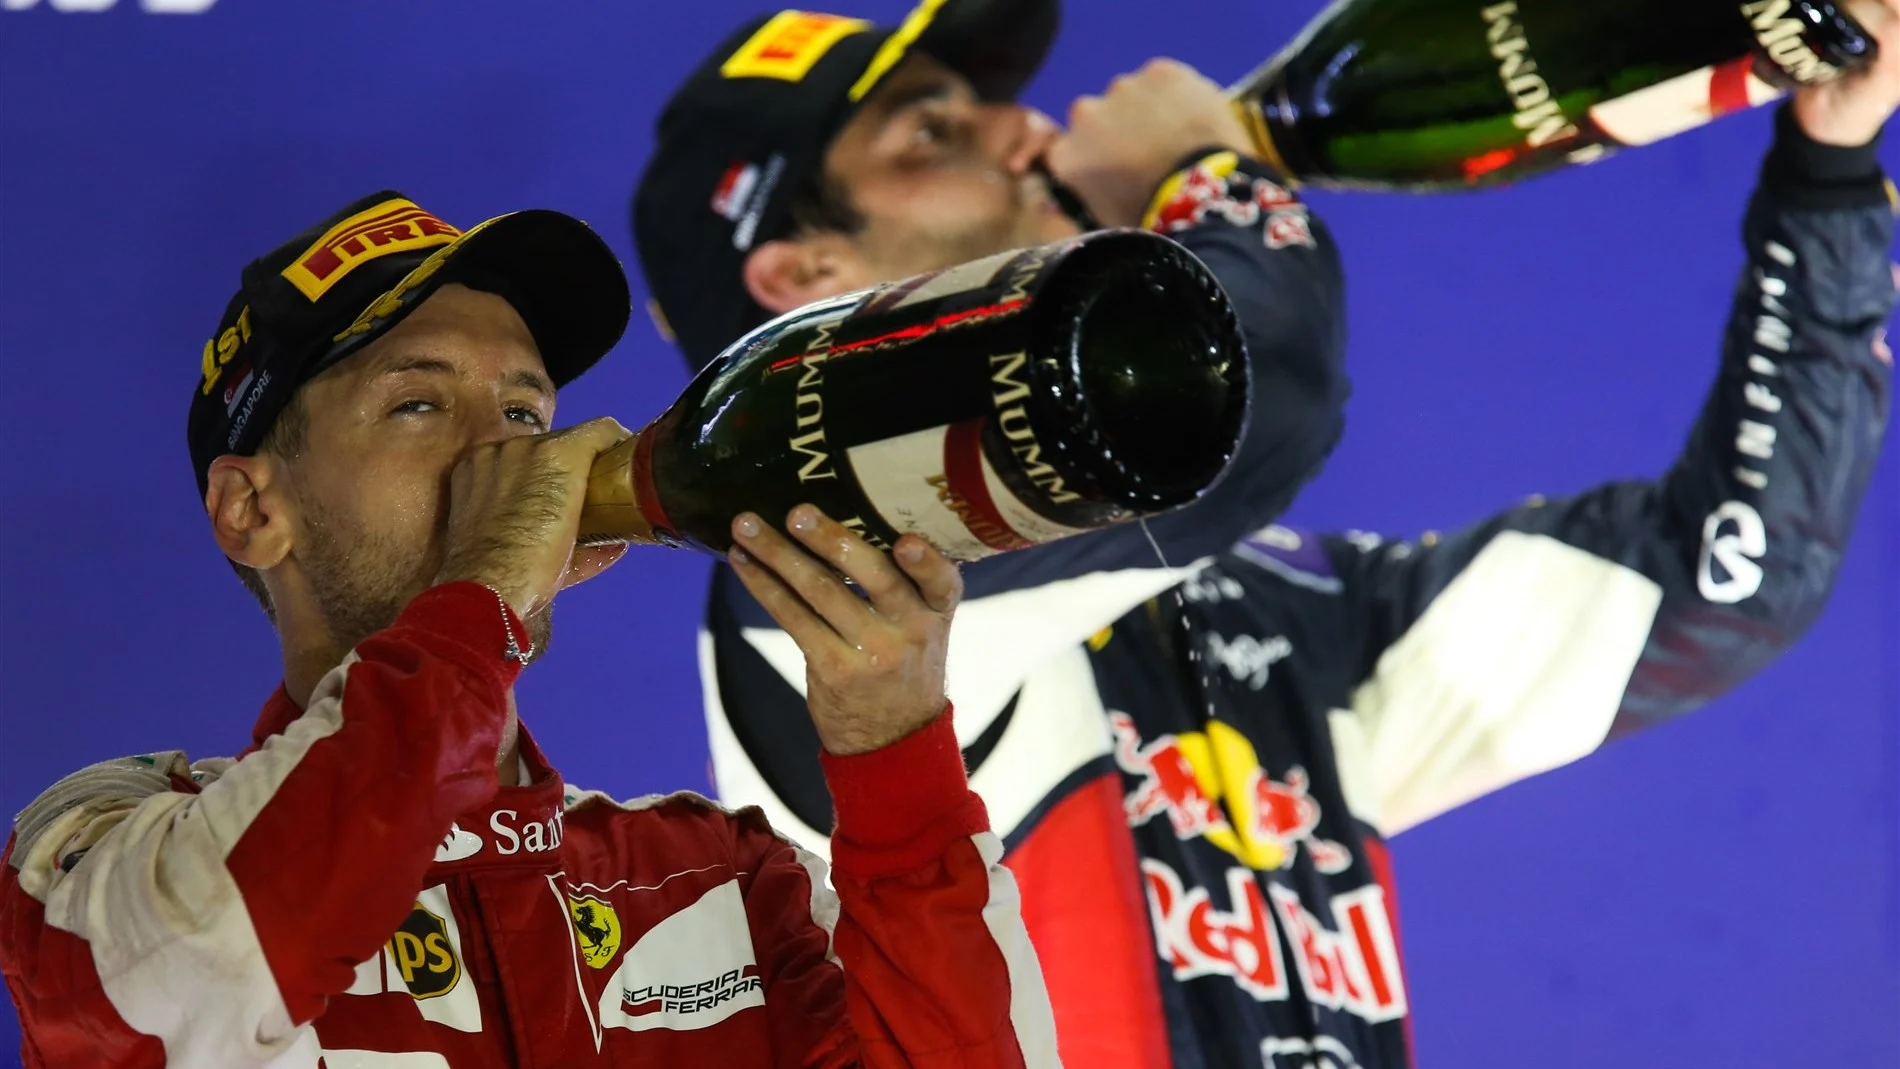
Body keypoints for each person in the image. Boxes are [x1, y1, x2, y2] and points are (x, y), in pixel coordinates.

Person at [631, 1, 1900, 1067]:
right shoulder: (821, 583)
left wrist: (1830, 179)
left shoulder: (1252, 603)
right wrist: (1207, 175)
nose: (1028, 128)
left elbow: (1726, 579)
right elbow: (1262, 395)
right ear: (802, 278)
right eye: (934, 135)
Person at [0, 193, 1062, 1068]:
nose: (499, 458)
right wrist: (486, 585)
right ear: (253, 510)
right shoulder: (101, 841)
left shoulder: (712, 877)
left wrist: (894, 756)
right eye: (418, 405)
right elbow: (208, 961)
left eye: (522, 413)